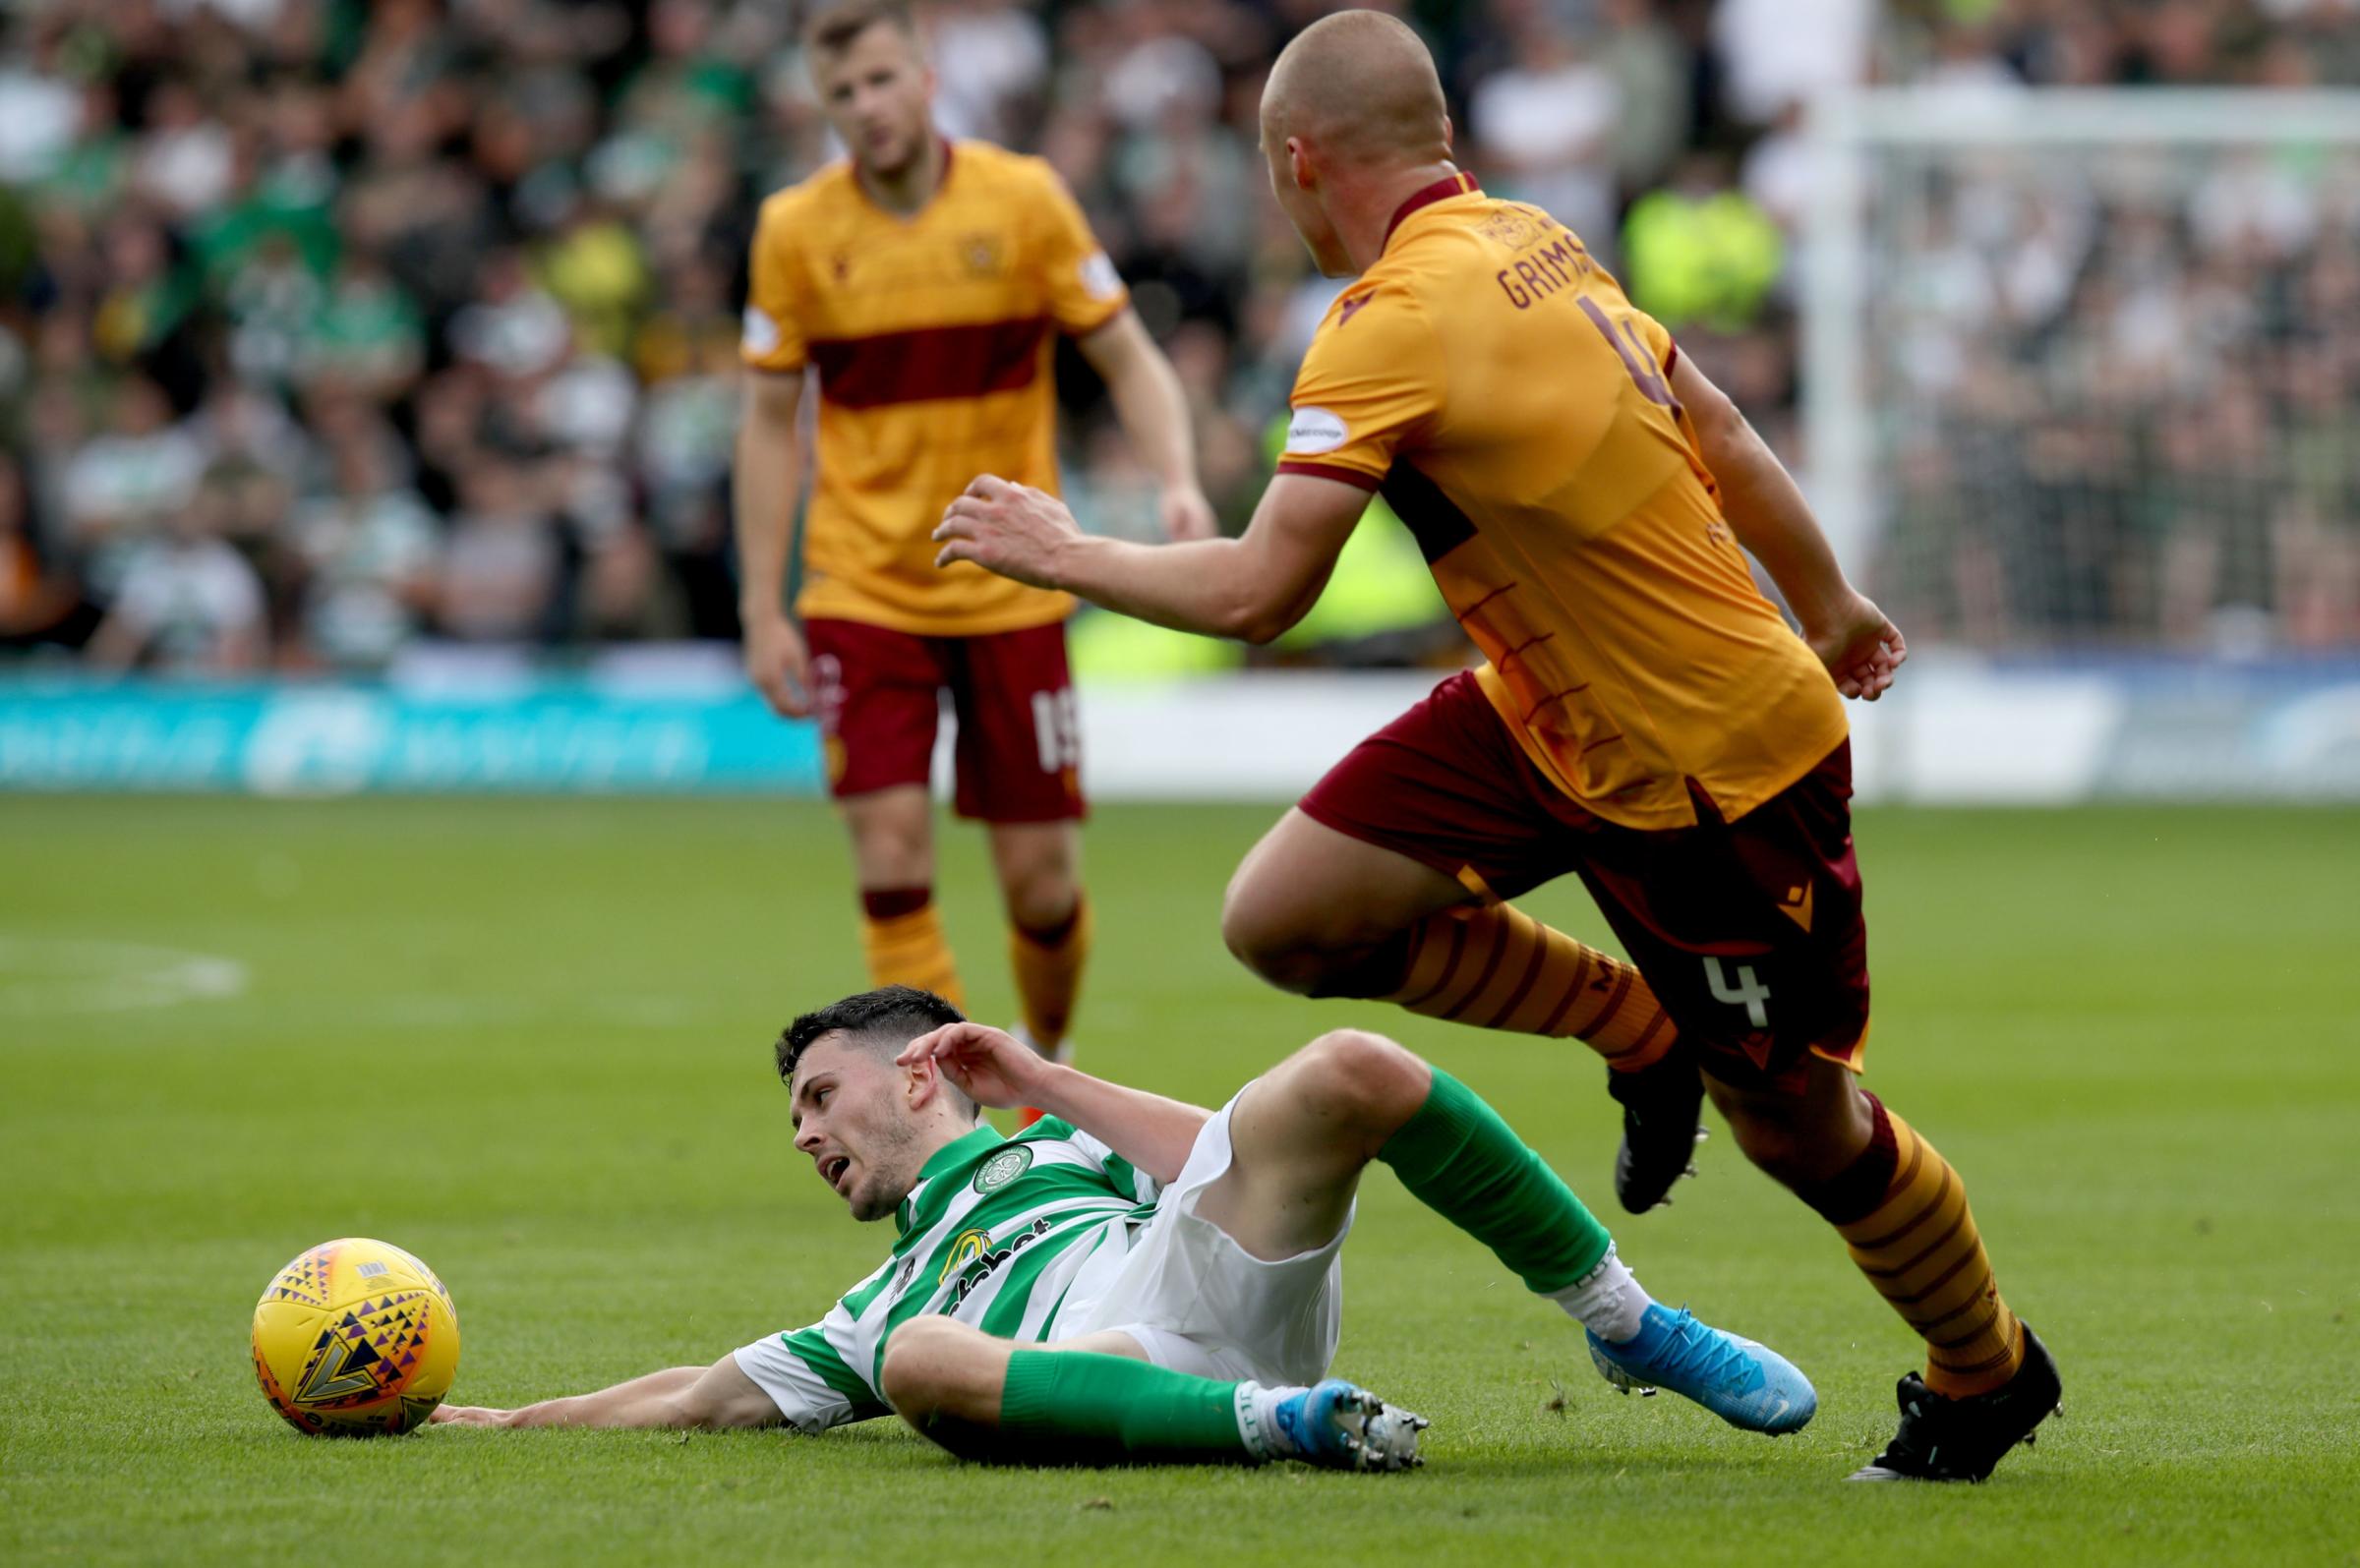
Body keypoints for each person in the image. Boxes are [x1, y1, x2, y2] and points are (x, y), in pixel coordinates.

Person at [928, 10, 2059, 1482]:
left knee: (1797, 1122)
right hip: (1552, 710)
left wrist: (1066, 550)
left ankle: (1986, 1367)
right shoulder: (1539, 238)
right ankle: (1633, 1025)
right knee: (1288, 913)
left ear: (1298, 161)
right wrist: (1831, 599)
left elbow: (1266, 592)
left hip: (1710, 768)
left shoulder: (1385, 320)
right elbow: (1712, 418)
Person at [433, 985, 1816, 1468]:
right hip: (1114, 1365)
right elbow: (695, 1396)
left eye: (818, 1092)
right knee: (919, 1358)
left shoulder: (1056, 1144)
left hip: (1197, 1275)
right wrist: (505, 1421)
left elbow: (1211, 1152)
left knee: (1354, 1067)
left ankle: (1629, 1324)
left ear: (916, 1067)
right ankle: (1289, 1425)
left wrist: (1036, 1076)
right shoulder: (873, 1300)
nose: (803, 1129)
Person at [733, 0, 1216, 1100]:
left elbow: (1129, 354)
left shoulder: (1023, 200)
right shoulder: (796, 232)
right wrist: (765, 605)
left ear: (926, 74)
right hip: (862, 584)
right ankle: (954, 1104)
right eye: (843, 94)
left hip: (1010, 581)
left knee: (1043, 888)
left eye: (882, 81)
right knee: (892, 859)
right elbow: (766, 425)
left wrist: (1178, 478)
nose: (867, 109)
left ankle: (1046, 1058)